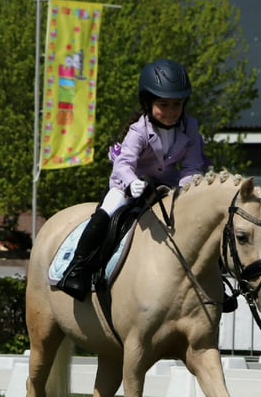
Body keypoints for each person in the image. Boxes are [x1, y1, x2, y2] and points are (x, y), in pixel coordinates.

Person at [57, 59, 208, 301]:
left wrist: (189, 185)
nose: (170, 112)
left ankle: (214, 278)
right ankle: (78, 268)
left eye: (176, 105)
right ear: (148, 103)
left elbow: (192, 164)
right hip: (129, 185)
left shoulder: (190, 127)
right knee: (107, 211)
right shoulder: (138, 130)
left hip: (168, 187)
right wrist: (130, 183)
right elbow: (123, 164)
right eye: (163, 105)